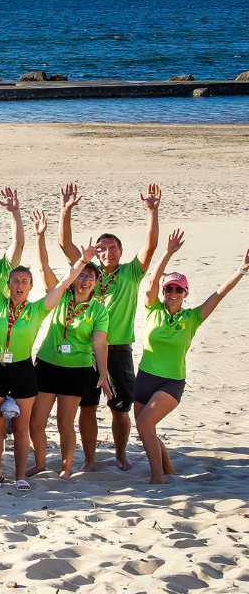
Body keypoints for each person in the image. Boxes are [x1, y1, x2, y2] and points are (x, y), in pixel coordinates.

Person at [59, 183, 162, 472]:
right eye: (102, 248)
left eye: (113, 248)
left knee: (120, 409)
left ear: (120, 251)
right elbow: (65, 245)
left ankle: (120, 454)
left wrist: (152, 211)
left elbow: (151, 246)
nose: (107, 252)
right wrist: (65, 211)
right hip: (83, 350)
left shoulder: (130, 273)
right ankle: (90, 460)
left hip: (117, 350)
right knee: (87, 406)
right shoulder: (86, 273)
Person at [0, 214, 80, 490]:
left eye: (25, 281)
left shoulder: (36, 309)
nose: (20, 285)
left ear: (31, 286)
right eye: (15, 281)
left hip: (23, 371)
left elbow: (64, 284)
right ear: (7, 284)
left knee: (21, 429)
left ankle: (21, 476)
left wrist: (82, 261)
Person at [132, 232, 246, 484]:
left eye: (178, 289)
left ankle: (157, 478)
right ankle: (169, 469)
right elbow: (150, 282)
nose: (173, 292)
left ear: (185, 293)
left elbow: (218, 294)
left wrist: (242, 269)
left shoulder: (192, 318)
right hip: (144, 378)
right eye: (169, 288)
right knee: (147, 428)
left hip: (171, 382)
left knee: (143, 426)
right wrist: (168, 252)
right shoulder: (153, 309)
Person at [30, 234, 111, 480]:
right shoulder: (61, 294)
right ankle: (40, 464)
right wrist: (40, 235)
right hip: (46, 364)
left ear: (97, 282)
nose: (85, 280)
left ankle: (66, 467)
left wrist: (104, 373)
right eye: (82, 275)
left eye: (91, 277)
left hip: (76, 369)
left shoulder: (99, 310)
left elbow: (99, 341)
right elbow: (43, 266)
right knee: (36, 422)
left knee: (65, 422)